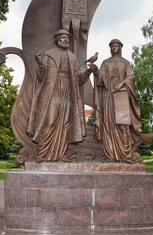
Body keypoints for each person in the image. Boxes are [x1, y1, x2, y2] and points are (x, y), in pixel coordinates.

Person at [27, 29, 97, 162]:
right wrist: (41, 64)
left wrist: (88, 71)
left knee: (65, 123)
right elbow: (41, 77)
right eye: (63, 37)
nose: (65, 39)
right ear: (57, 39)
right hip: (52, 90)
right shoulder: (49, 55)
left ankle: (62, 154)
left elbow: (78, 79)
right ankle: (42, 153)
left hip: (67, 91)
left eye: (67, 38)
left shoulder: (72, 57)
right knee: (50, 120)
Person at [93, 38, 142, 162]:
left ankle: (125, 154)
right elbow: (101, 79)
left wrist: (122, 83)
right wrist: (96, 71)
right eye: (112, 46)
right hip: (108, 96)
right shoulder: (105, 62)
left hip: (121, 96)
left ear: (120, 48)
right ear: (110, 48)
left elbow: (131, 76)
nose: (114, 48)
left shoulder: (125, 63)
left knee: (122, 125)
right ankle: (110, 154)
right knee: (109, 124)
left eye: (116, 46)